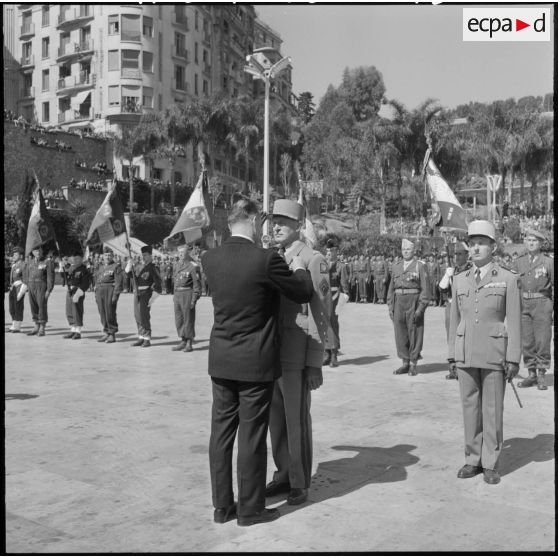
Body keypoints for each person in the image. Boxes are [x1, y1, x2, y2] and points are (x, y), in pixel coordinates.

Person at [202, 199, 313, 526]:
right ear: (252, 220)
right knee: (251, 434)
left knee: (220, 434)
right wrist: (302, 266)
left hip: (221, 359)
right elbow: (302, 291)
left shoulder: (210, 258)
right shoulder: (265, 260)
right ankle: (250, 509)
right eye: (262, 221)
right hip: (254, 362)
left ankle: (222, 507)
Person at [266, 199, 333, 507]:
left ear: (298, 226)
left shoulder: (312, 259)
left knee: (296, 419)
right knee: (275, 420)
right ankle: (282, 473)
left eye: (283, 222)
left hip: (296, 353)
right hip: (269, 353)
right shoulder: (269, 258)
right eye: (273, 221)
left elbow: (321, 314)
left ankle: (298, 480)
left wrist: (314, 362)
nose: (275, 226)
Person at [448, 220, 521, 485]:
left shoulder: (507, 278)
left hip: (494, 353)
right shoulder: (459, 280)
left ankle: (490, 462)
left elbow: (514, 321)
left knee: (491, 409)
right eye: (472, 243)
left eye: (482, 243)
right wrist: (451, 355)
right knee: (470, 408)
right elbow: (453, 320)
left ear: (493, 246)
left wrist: (513, 358)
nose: (476, 248)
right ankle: (472, 458)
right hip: (465, 351)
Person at [512, 229, 554, 391]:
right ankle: (531, 373)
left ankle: (542, 373)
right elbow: (513, 285)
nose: (531, 243)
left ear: (541, 243)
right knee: (527, 340)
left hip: (542, 303)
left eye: (535, 241)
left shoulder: (548, 262)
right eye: (528, 240)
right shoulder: (519, 262)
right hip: (524, 303)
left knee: (542, 340)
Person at [387, 239, 429, 376]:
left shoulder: (420, 266)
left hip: (414, 301)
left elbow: (425, 289)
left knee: (415, 332)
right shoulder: (396, 266)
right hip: (399, 301)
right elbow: (391, 289)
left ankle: (413, 363)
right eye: (404, 249)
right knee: (400, 333)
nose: (406, 251)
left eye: (409, 249)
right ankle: (405, 362)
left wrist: (421, 308)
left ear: (414, 251)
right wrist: (390, 306)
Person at [438, 241, 471, 379]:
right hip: (451, 307)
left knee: (466, 337)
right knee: (451, 337)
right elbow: (441, 288)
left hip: (465, 307)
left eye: (460, 254)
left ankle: (465, 366)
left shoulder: (471, 269)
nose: (456, 257)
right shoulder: (453, 269)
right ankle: (453, 367)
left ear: (467, 255)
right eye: (455, 254)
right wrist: (447, 275)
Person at [126, 245, 162, 348]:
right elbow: (130, 277)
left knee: (144, 316)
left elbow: (158, 283)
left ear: (151, 256)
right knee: (137, 316)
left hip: (146, 294)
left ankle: (147, 338)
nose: (144, 257)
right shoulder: (140, 267)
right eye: (143, 255)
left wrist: (153, 297)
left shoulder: (153, 268)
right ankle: (141, 337)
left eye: (146, 255)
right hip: (137, 294)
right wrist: (129, 265)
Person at [323, 237, 349, 367]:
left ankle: (334, 353)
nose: (328, 253)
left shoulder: (341, 266)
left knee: (333, 324)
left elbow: (344, 286)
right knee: (324, 324)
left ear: (336, 252)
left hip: (335, 297)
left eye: (331, 251)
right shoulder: (323, 264)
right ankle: (326, 352)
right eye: (327, 251)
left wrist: (343, 301)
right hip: (323, 297)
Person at [171, 244, 201, 352]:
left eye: (182, 253)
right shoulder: (177, 265)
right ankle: (183, 340)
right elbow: (175, 281)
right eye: (179, 253)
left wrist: (194, 299)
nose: (180, 255)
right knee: (179, 319)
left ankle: (189, 342)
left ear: (187, 253)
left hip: (187, 294)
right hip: (178, 294)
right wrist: (174, 296)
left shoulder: (193, 266)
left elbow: (197, 285)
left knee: (188, 319)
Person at [23, 245, 55, 336]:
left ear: (41, 251)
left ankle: (42, 327)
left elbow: (50, 277)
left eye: (39, 250)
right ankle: (36, 325)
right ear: (32, 252)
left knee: (42, 306)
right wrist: (26, 285)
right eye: (35, 251)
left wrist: (49, 290)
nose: (37, 253)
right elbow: (26, 274)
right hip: (31, 286)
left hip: (41, 286)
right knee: (33, 306)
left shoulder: (47, 262)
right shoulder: (30, 262)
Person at [94, 248, 123, 343]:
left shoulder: (116, 266)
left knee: (110, 312)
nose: (107, 257)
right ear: (103, 256)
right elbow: (97, 279)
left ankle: (112, 333)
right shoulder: (100, 267)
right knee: (102, 312)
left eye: (109, 255)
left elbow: (118, 282)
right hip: (100, 291)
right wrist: (96, 292)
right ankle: (106, 331)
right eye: (106, 255)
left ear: (112, 256)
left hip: (110, 290)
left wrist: (115, 295)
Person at [63, 249, 91, 340]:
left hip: (77, 292)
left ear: (82, 259)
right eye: (75, 259)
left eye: (78, 259)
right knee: (69, 311)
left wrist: (79, 293)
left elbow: (86, 283)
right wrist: (62, 268)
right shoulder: (72, 268)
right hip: (70, 291)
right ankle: (73, 329)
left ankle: (78, 331)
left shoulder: (84, 270)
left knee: (77, 311)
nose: (76, 260)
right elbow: (65, 278)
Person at [7, 247, 27, 333]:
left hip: (19, 288)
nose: (14, 256)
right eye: (13, 254)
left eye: (16, 254)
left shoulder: (23, 265)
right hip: (13, 288)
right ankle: (14, 324)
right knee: (12, 307)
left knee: (18, 307)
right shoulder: (14, 265)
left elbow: (25, 279)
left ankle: (18, 326)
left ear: (21, 256)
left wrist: (22, 291)